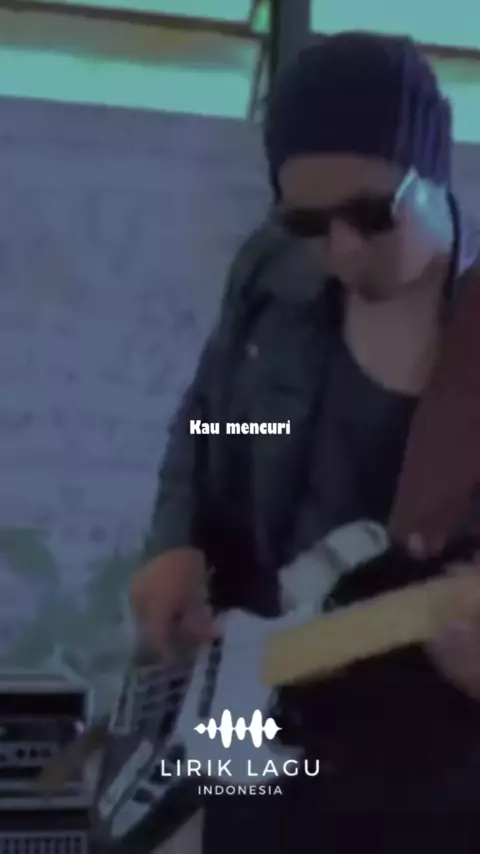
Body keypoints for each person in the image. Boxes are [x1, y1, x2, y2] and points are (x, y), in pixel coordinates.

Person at [130, 32, 480, 852]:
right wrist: (176, 539)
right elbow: (212, 417)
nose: (342, 248)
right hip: (260, 745)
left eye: (372, 214)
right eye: (307, 221)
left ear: (433, 172)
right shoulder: (271, 269)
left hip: (436, 785)